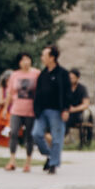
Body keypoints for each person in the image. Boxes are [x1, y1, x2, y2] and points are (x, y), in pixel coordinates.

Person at [32, 44, 72, 175]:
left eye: (44, 55)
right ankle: (50, 155)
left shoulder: (63, 74)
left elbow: (67, 93)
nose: (42, 57)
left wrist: (65, 109)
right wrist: (36, 109)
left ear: (52, 57)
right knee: (36, 134)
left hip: (57, 111)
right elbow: (38, 93)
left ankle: (53, 164)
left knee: (56, 139)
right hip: (42, 111)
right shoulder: (42, 74)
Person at [3, 53, 37, 173]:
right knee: (13, 133)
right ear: (19, 62)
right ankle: (12, 161)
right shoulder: (15, 75)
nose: (26, 62)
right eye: (23, 60)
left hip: (31, 110)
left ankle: (28, 162)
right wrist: (5, 108)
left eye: (28, 59)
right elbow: (9, 93)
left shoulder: (36, 74)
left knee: (29, 136)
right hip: (16, 109)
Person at [68, 68, 93, 147]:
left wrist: (74, 109)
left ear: (77, 78)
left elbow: (86, 104)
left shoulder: (82, 89)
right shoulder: (66, 88)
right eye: (69, 78)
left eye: (72, 78)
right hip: (67, 112)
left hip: (78, 113)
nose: (70, 80)